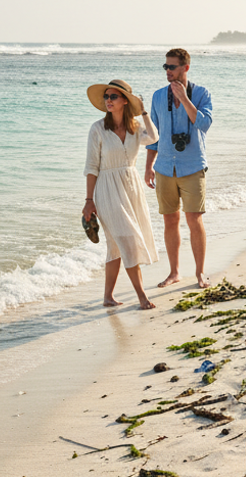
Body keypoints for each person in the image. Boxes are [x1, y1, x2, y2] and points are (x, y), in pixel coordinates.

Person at [83, 79, 158, 310]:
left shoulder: (136, 127)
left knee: (115, 245)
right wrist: (88, 200)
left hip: (131, 187)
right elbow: (91, 166)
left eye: (113, 96)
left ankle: (108, 297)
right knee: (128, 238)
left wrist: (143, 110)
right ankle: (142, 296)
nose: (108, 100)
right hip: (107, 189)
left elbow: (154, 137)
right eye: (106, 97)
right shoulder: (98, 129)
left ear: (125, 101)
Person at [144, 48, 214, 289]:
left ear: (185, 68)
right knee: (169, 221)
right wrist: (148, 166)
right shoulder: (157, 97)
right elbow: (153, 135)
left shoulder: (202, 93)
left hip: (193, 166)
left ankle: (200, 273)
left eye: (172, 67)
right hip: (164, 166)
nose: (167, 72)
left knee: (194, 220)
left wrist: (184, 99)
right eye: (165, 67)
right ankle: (174, 273)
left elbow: (204, 124)